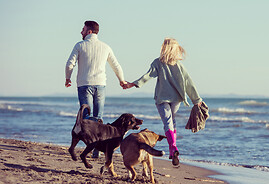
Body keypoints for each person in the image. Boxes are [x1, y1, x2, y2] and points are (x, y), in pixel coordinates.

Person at [124, 38, 202, 166]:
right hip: (176, 99)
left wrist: (133, 84)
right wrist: (196, 99)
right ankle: (173, 149)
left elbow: (147, 75)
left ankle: (173, 148)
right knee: (172, 122)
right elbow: (189, 82)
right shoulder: (179, 65)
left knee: (167, 122)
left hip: (162, 99)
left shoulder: (158, 63)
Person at [65, 20, 127, 157]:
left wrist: (67, 78)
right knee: (98, 118)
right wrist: (121, 80)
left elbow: (70, 64)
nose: (81, 31)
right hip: (100, 84)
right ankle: (96, 150)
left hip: (84, 84)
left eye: (83, 29)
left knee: (87, 118)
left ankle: (91, 147)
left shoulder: (80, 45)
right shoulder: (105, 47)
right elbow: (116, 65)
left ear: (89, 31)